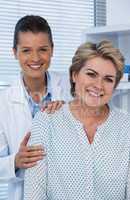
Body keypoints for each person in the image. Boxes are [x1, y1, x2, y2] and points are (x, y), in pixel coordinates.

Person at [24, 40, 130, 200]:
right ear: (74, 75)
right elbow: (34, 194)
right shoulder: (46, 121)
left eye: (108, 79)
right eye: (91, 74)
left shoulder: (129, 127)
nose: (99, 85)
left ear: (114, 86)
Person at [0, 15, 70, 200]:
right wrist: (15, 161)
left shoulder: (73, 89)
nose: (35, 58)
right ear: (14, 52)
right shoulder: (3, 103)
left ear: (52, 50)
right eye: (26, 50)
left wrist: (72, 115)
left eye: (42, 49)